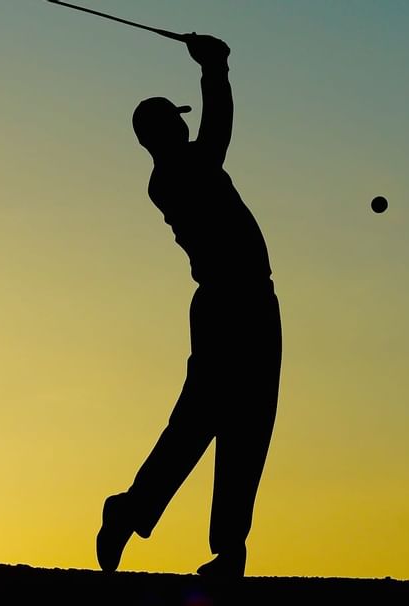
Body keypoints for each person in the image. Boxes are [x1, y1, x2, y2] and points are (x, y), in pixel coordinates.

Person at [96, 33, 281, 578]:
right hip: (231, 305)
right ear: (163, 132)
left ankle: (226, 550)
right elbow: (218, 129)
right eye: (175, 122)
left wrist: (215, 68)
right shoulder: (179, 174)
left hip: (250, 301)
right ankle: (133, 510)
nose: (184, 125)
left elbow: (212, 134)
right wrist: (215, 68)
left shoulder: (180, 169)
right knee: (205, 420)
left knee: (248, 423)